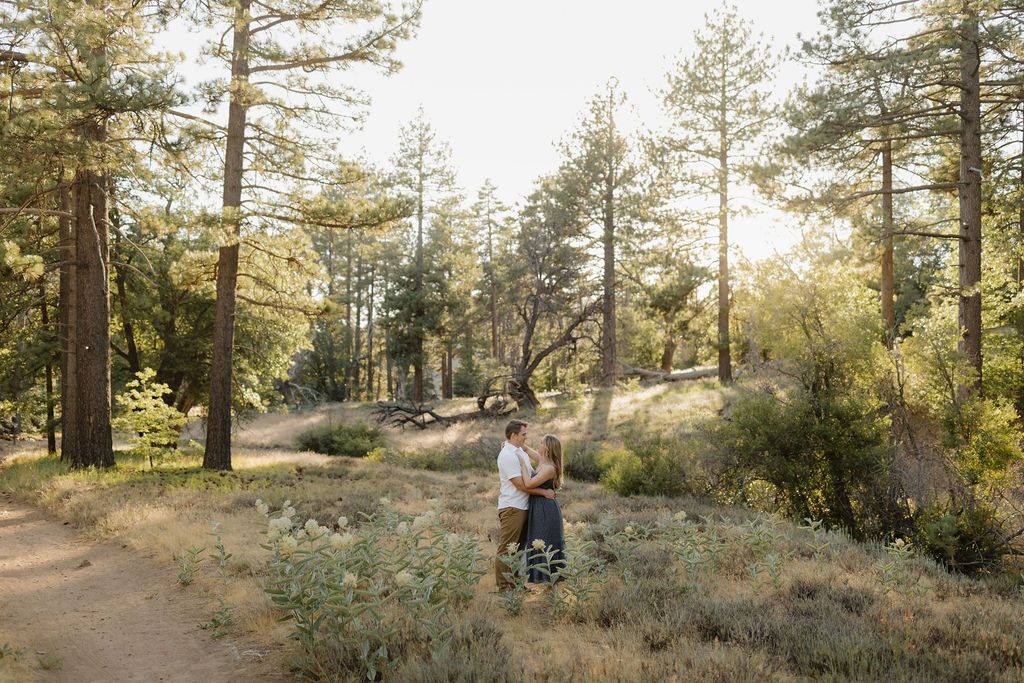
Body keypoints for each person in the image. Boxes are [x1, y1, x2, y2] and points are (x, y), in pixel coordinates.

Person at [494, 419, 555, 593]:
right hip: (512, 507)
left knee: (518, 549)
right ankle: (505, 588)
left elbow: (535, 467)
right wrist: (543, 493)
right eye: (523, 434)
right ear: (513, 435)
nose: (526, 438)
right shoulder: (507, 455)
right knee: (507, 548)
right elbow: (521, 485)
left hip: (522, 506)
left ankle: (517, 585)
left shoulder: (518, 450)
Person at [517, 434, 565, 585]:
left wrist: (523, 465)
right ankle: (543, 581)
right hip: (538, 508)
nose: (538, 444)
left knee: (547, 543)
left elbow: (529, 483)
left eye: (541, 443)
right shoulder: (542, 461)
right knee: (538, 541)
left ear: (548, 449)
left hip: (546, 510)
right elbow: (525, 449)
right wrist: (510, 445)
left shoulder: (550, 468)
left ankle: (550, 583)